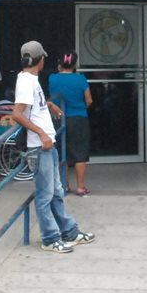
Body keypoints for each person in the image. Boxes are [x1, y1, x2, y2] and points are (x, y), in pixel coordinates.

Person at [13, 40, 94, 253]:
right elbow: (17, 114)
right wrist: (40, 133)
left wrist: (49, 105)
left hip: (47, 144)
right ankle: (50, 238)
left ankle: (70, 232)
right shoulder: (26, 82)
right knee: (45, 194)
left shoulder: (32, 80)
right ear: (40, 60)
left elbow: (34, 106)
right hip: (39, 146)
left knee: (56, 191)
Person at [49, 51, 93, 196]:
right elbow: (89, 100)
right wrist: (79, 108)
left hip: (58, 118)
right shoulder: (80, 79)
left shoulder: (53, 78)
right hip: (78, 118)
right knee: (80, 152)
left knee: (62, 152)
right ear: (74, 65)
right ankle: (80, 187)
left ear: (60, 64)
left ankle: (64, 186)